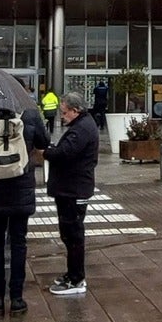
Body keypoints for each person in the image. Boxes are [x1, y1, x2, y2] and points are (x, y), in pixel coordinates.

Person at [0, 103, 48, 313]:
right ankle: (17, 298)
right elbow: (44, 142)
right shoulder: (29, 114)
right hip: (21, 189)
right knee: (19, 243)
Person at [45, 93, 97, 297]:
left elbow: (64, 153)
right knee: (69, 233)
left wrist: (47, 151)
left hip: (74, 189)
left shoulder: (82, 129)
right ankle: (72, 273)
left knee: (73, 234)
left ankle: (77, 278)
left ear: (76, 111)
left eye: (64, 112)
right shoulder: (82, 126)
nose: (62, 116)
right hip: (70, 188)